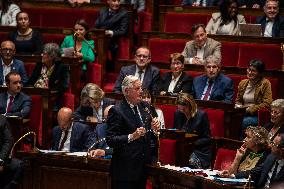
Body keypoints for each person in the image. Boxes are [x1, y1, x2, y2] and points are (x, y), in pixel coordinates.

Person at [106, 75, 159, 189]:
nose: (141, 92)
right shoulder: (116, 111)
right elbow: (110, 140)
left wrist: (154, 130)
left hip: (142, 168)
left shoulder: (144, 106)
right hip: (124, 172)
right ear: (126, 91)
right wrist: (131, 136)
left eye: (141, 88)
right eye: (137, 89)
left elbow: (148, 134)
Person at [235, 59, 272, 138]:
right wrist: (238, 105)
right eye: (249, 69)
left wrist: (249, 108)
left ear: (259, 73)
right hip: (242, 113)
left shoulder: (265, 83)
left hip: (257, 115)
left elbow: (267, 103)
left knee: (245, 122)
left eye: (253, 71)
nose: (250, 72)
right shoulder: (243, 83)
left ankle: (242, 144)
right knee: (231, 120)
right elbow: (238, 100)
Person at [174, 93, 212, 169]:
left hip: (199, 150)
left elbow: (207, 138)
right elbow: (176, 133)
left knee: (189, 161)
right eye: (180, 109)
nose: (183, 112)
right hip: (182, 148)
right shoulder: (178, 113)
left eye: (184, 109)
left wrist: (192, 144)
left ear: (190, 106)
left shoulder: (201, 115)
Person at [27, 43, 69, 110]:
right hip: (36, 94)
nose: (42, 55)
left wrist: (49, 93)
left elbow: (63, 86)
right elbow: (31, 81)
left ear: (51, 56)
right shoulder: (39, 65)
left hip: (51, 98)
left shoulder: (62, 67)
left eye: (44, 54)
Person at [94, 0, 129, 71]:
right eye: (114, 1)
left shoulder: (123, 13)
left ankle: (102, 69)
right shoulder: (103, 10)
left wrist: (111, 32)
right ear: (108, 1)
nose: (116, 3)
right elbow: (96, 25)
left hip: (113, 40)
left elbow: (123, 31)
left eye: (118, 1)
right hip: (100, 36)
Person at [0, 115, 24, 189]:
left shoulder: (1, 120)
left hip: (1, 158)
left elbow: (8, 141)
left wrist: (0, 160)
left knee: (20, 165)